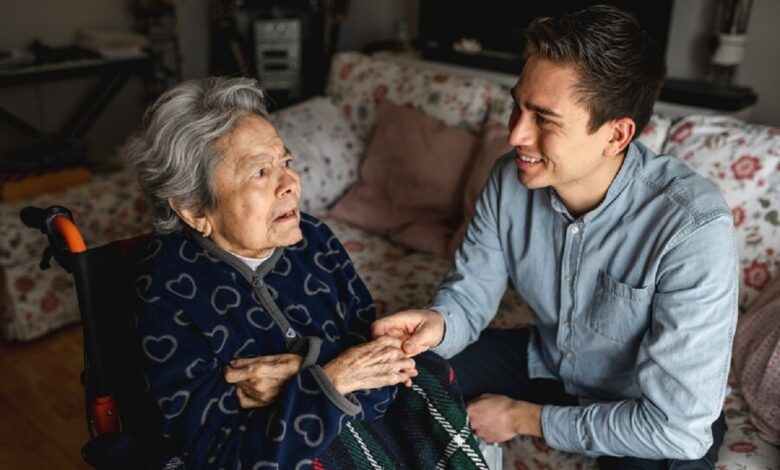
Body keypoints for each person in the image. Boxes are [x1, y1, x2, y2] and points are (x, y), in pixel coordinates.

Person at [373, 5, 737, 469]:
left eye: (544, 119)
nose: (515, 135)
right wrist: (437, 323)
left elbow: (677, 429)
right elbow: (469, 297)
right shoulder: (508, 179)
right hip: (546, 363)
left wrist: (523, 418)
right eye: (517, 106)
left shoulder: (693, 228)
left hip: (641, 401)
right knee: (403, 377)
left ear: (616, 136)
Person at [126, 77, 487, 469]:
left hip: (364, 435)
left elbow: (385, 368)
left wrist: (306, 372)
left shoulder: (314, 239)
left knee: (427, 371)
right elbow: (219, 452)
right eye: (260, 173)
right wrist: (332, 380)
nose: (290, 183)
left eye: (286, 162)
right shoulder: (166, 286)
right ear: (194, 209)